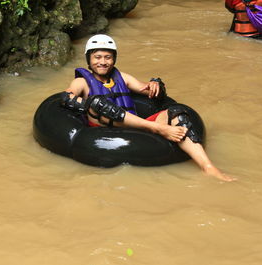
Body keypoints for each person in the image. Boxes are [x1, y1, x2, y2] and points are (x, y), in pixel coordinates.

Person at [61, 34, 235, 182]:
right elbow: (68, 95)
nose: (103, 62)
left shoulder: (122, 77)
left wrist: (155, 86)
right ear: (89, 60)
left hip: (136, 125)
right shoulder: (81, 82)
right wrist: (77, 101)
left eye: (108, 57)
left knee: (178, 114)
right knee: (97, 103)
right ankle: (159, 129)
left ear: (113, 59)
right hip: (102, 127)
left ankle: (208, 167)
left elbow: (145, 89)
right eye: (97, 57)